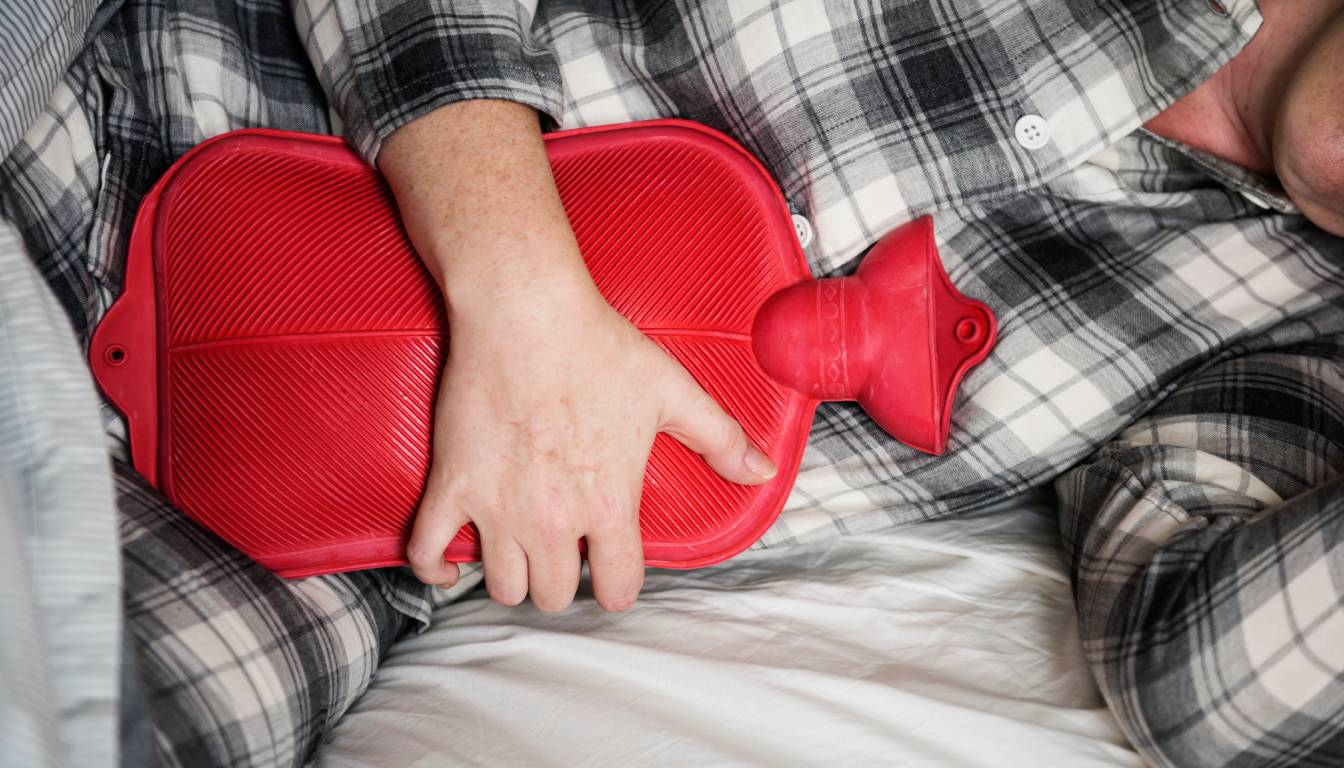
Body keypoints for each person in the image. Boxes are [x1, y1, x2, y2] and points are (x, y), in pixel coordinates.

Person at [0, 1, 1341, 766]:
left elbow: (1212, 690)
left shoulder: (1299, 327)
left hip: (305, 546)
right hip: (141, 92)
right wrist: (517, 282)